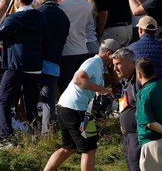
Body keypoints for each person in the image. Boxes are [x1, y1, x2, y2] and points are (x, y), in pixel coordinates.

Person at [44, 39, 119, 171]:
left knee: (68, 147)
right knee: (90, 148)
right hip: (76, 109)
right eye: (115, 56)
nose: (115, 61)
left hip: (66, 107)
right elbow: (78, 79)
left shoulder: (98, 65)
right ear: (108, 53)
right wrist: (100, 89)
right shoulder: (94, 62)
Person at [0, 0, 45, 139]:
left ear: (18, 0)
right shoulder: (39, 16)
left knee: (2, 99)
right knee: (31, 102)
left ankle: (6, 136)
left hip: (17, 65)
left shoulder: (15, 18)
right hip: (35, 64)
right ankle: (34, 135)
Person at [111, 48, 140, 171]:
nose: (114, 69)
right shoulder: (125, 82)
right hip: (128, 135)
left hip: (137, 136)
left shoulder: (139, 82)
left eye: (118, 64)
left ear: (130, 63)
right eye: (113, 65)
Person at [128, 16, 162, 83]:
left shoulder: (131, 48)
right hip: (160, 88)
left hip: (139, 89)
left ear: (140, 30)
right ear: (155, 31)